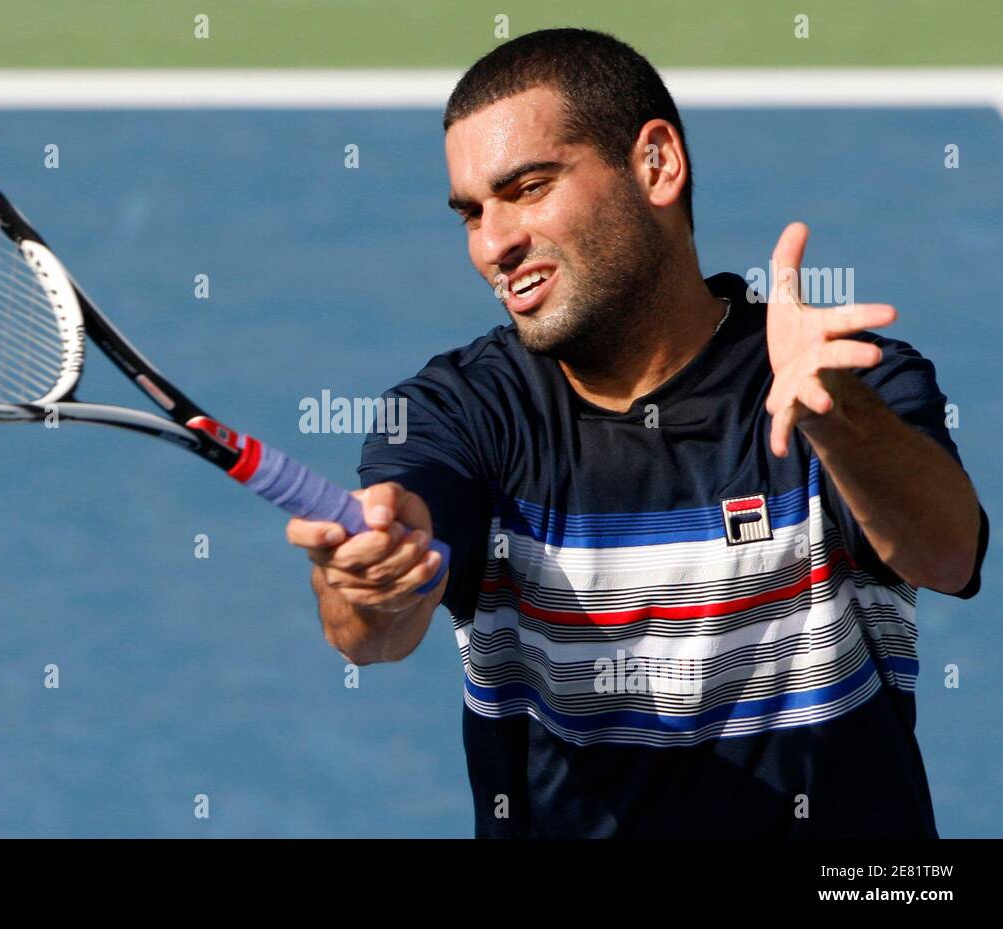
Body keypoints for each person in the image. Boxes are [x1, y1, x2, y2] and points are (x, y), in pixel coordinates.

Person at [285, 28, 988, 837]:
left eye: (529, 188)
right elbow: (374, 629)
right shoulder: (455, 413)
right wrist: (370, 585)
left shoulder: (846, 377)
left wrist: (835, 416)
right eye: (472, 213)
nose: (492, 243)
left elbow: (948, 554)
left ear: (656, 164)